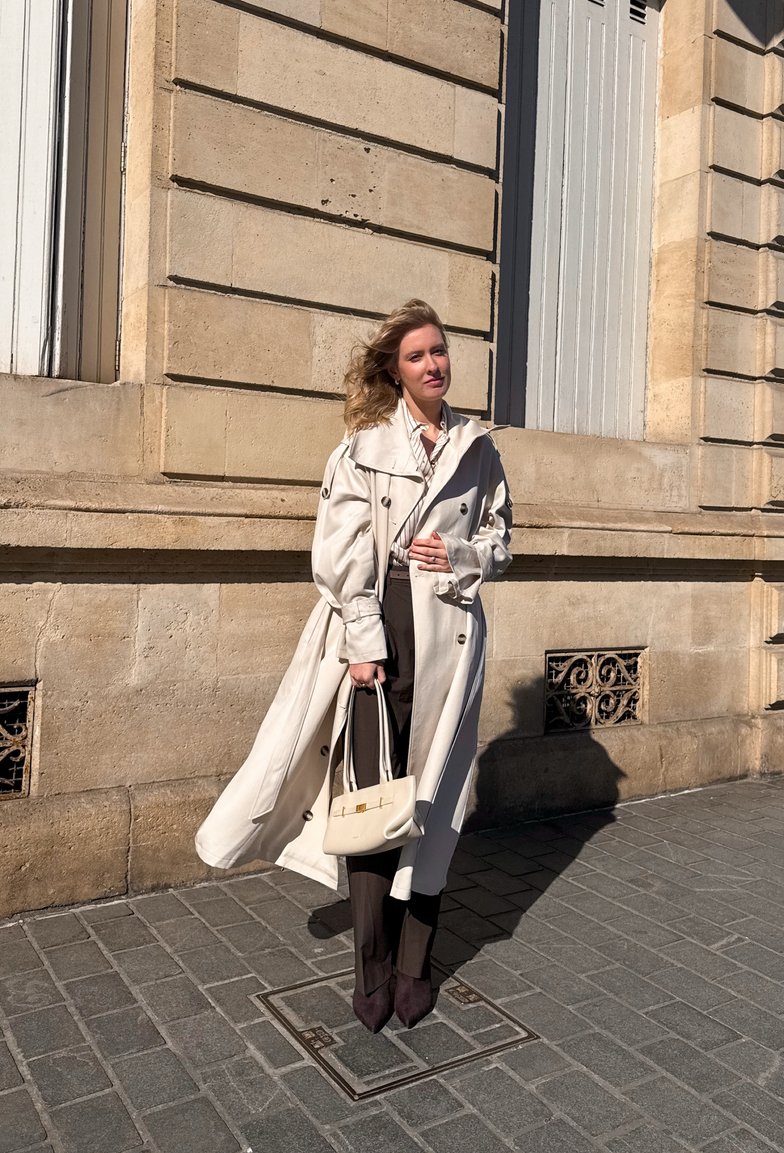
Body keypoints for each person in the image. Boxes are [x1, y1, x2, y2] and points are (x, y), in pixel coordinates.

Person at [195, 299, 512, 1033]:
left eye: (440, 350)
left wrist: (462, 555)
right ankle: (371, 971)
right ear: (395, 371)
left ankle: (414, 967)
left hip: (452, 647)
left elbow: (501, 542)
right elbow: (337, 558)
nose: (434, 364)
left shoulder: (479, 447)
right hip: (380, 640)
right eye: (417, 355)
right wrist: (365, 645)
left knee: (433, 808)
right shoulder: (364, 447)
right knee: (372, 803)